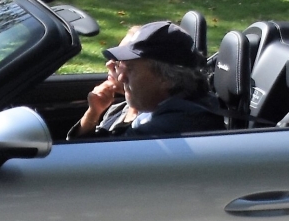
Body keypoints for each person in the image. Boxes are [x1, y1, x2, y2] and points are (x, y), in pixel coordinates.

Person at [69, 21, 226, 140]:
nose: (122, 77)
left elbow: (97, 163)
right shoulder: (144, 106)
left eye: (130, 69)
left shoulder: (168, 128)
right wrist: (92, 114)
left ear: (167, 78)